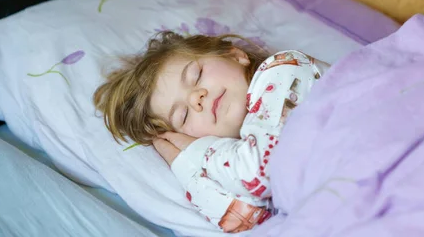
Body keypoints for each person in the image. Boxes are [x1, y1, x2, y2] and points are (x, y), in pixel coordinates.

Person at [93, 31, 330, 233]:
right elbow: (246, 221)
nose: (197, 98)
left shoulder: (285, 69)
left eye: (196, 75)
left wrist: (194, 151)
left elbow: (260, 171)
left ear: (235, 55)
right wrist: (183, 166)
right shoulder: (236, 160)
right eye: (183, 115)